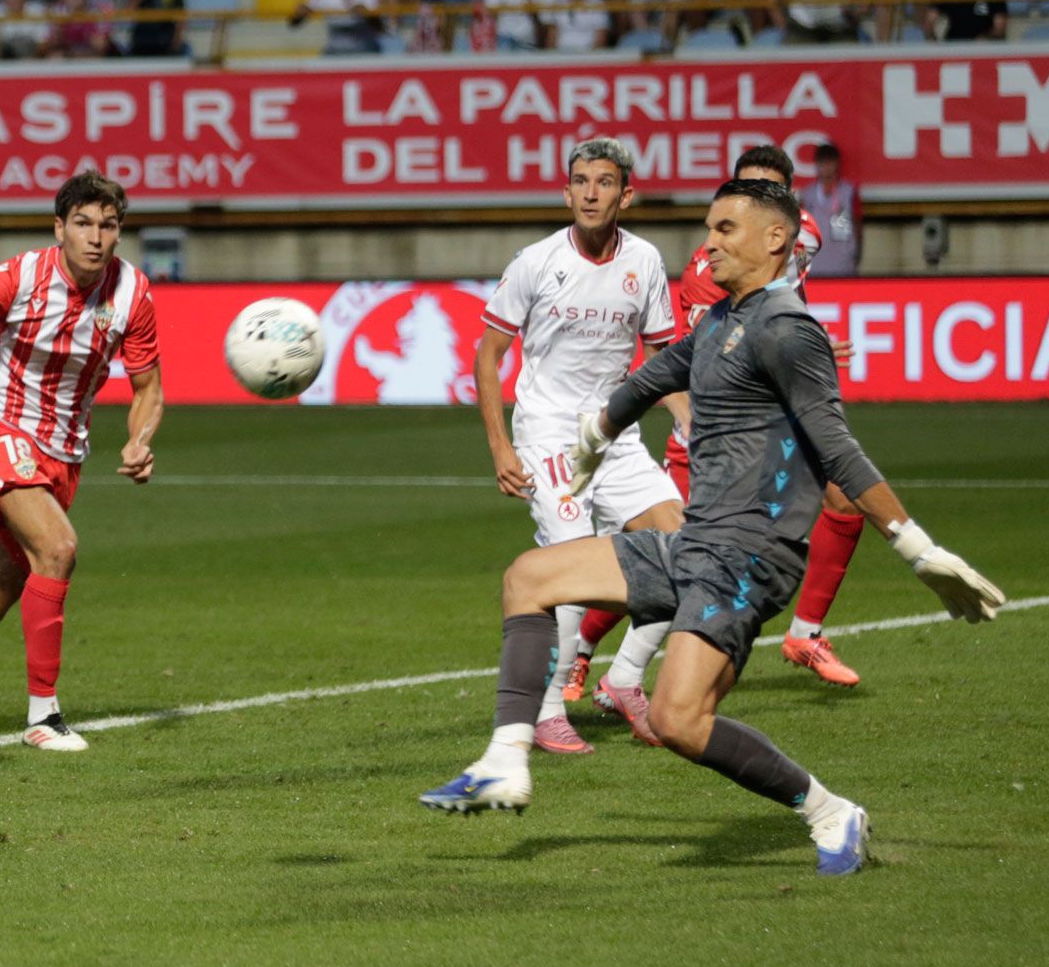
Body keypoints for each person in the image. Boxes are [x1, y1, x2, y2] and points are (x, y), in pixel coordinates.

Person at [423, 178, 1007, 877]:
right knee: (529, 576)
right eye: (709, 227)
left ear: (776, 240)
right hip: (696, 541)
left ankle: (828, 809)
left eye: (727, 228)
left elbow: (838, 448)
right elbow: (645, 381)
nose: (710, 243)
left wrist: (919, 549)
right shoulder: (719, 323)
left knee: (678, 721)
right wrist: (593, 437)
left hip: (751, 558)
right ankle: (504, 758)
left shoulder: (789, 330)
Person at [572, 146, 872, 694]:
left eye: (766, 189)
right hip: (715, 430)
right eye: (744, 188)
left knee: (845, 499)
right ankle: (586, 651)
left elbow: (780, 302)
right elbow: (694, 355)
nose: (751, 199)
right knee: (674, 554)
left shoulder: (802, 236)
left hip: (771, 423)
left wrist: (809, 339)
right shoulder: (709, 268)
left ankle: (805, 633)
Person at [0, 173, 162, 752]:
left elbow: (148, 387)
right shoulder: (18, 278)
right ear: (59, 228)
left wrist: (139, 439)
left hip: (65, 457)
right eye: (83, 223)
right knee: (59, 547)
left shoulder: (132, 294)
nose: (95, 237)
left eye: (108, 225)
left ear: (120, 232)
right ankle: (44, 716)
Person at [475, 138, 685, 754]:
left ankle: (624, 680)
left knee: (687, 552)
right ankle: (543, 713)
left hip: (613, 432)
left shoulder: (644, 261)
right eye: (581, 182)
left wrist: (688, 419)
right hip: (546, 432)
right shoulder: (537, 262)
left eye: (604, 182)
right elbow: (488, 357)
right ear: (566, 193)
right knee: (568, 566)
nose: (591, 192)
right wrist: (500, 449)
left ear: (626, 193)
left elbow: (660, 356)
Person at [800, 142, 860, 278]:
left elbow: (857, 225)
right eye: (822, 163)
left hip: (843, 264)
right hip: (814, 263)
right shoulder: (808, 195)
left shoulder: (848, 192)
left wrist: (855, 253)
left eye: (830, 163)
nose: (826, 168)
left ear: (837, 164)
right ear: (816, 165)